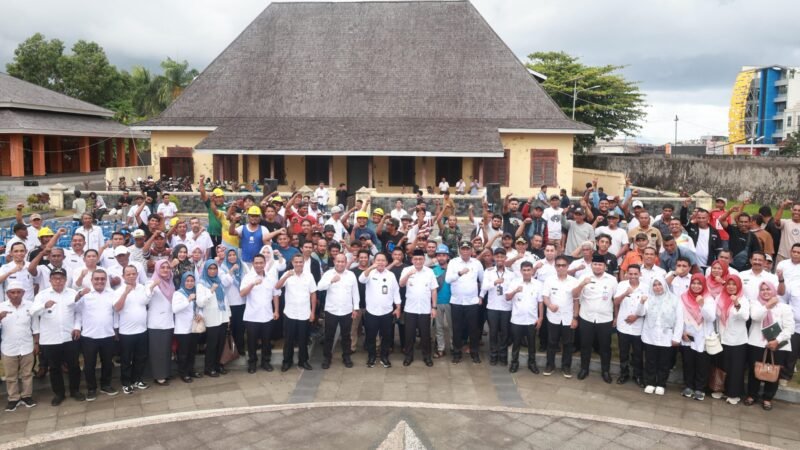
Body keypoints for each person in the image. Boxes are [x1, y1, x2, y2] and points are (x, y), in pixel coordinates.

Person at [30, 268, 84, 405]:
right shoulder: (42, 295)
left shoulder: (72, 293)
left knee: (74, 366)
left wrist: (77, 327)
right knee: (54, 368)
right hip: (50, 339)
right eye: (55, 278)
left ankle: (75, 390)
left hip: (70, 337)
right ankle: (59, 394)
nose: (58, 281)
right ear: (50, 280)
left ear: (66, 279)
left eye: (61, 278)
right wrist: (44, 305)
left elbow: (79, 313)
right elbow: (32, 312)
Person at [745, 281, 794, 410]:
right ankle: (752, 395)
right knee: (754, 370)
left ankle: (767, 398)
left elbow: (789, 328)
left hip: (777, 345)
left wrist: (777, 340)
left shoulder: (784, 307)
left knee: (774, 372)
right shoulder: (755, 304)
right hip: (757, 343)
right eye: (762, 290)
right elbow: (755, 317)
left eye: (768, 289)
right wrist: (767, 306)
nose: (765, 292)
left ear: (773, 290)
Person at [573, 254, 618, 383]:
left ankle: (605, 371)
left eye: (600, 265)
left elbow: (615, 300)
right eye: (595, 264)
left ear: (605, 266)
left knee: (605, 347)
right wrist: (582, 284)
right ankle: (584, 369)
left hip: (605, 319)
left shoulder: (611, 280)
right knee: (585, 345)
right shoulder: (584, 277)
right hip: (586, 317)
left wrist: (616, 316)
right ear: (592, 265)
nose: (597, 267)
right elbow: (574, 295)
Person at [75, 269, 119, 400]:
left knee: (107, 363)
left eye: (102, 279)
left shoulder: (112, 294)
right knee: (89, 365)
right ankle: (91, 388)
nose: (99, 281)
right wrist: (77, 327)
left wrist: (116, 330)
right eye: (96, 279)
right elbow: (76, 312)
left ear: (106, 280)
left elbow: (115, 313)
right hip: (89, 336)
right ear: (91, 280)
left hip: (108, 335)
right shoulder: (84, 294)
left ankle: (106, 385)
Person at [638, 276, 683, 395]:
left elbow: (679, 320)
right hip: (650, 335)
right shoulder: (648, 298)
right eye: (654, 285)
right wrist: (641, 303)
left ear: (664, 285)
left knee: (664, 362)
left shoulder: (674, 299)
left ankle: (661, 383)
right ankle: (650, 382)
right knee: (650, 361)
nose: (657, 287)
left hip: (666, 336)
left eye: (659, 284)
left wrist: (676, 337)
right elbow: (640, 313)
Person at [358, 253, 402, 368]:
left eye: (383, 260)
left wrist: (398, 307)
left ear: (387, 262)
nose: (381, 262)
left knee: (387, 336)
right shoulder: (370, 273)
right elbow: (361, 279)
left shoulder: (391, 275)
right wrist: (371, 267)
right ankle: (371, 357)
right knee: (371, 336)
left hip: (387, 312)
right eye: (378, 260)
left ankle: (384, 357)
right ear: (374, 261)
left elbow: (396, 292)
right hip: (371, 311)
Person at [275, 254, 318, 371]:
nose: (299, 264)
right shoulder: (287, 274)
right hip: (290, 313)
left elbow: (313, 294)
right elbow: (277, 286)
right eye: (296, 262)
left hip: (304, 313)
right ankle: (287, 361)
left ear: (303, 263)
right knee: (288, 339)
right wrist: (286, 277)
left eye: (301, 262)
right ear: (292, 263)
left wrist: (313, 312)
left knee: (303, 339)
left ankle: (303, 361)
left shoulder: (309, 276)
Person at [445, 241, 485, 364]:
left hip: (472, 302)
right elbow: (447, 279)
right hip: (457, 301)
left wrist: (481, 296)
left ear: (471, 250)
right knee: (457, 329)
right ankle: (457, 353)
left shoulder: (477, 263)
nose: (465, 251)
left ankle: (474, 353)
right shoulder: (453, 262)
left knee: (473, 329)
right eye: (463, 249)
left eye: (468, 249)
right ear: (459, 250)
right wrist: (459, 273)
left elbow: (483, 280)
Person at [114, 265, 152, 394]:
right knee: (126, 360)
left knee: (140, 357)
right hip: (126, 332)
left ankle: (137, 379)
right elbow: (117, 308)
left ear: (137, 274)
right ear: (123, 276)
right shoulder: (119, 291)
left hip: (142, 330)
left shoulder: (142, 288)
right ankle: (126, 382)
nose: (131, 276)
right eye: (128, 274)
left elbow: (146, 302)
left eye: (133, 274)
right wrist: (125, 293)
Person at [1, 281, 38, 411]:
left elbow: (35, 326)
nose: (16, 295)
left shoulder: (30, 305)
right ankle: (13, 398)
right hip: (8, 347)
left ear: (23, 293)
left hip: (27, 345)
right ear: (7, 294)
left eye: (18, 292)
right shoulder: (1, 307)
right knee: (11, 376)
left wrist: (36, 343)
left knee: (27, 374)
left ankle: (27, 396)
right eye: (12, 292)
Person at [240, 254, 280, 373]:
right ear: (253, 264)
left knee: (266, 341)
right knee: (252, 342)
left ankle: (266, 362)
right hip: (252, 316)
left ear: (265, 264)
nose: (258, 265)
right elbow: (242, 294)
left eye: (261, 263)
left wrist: (276, 310)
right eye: (256, 263)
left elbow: (275, 295)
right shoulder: (248, 277)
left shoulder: (271, 277)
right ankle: (252, 363)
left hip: (267, 315)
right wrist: (252, 284)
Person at [317, 254, 359, 369]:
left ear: (346, 263)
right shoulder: (328, 274)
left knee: (346, 336)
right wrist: (331, 281)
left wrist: (355, 308)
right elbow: (319, 287)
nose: (340, 264)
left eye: (342, 262)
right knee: (329, 335)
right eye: (338, 261)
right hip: (331, 310)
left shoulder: (351, 275)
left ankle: (346, 357)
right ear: (334, 261)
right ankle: (327, 358)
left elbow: (355, 293)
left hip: (346, 310)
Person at [679, 274, 716, 401]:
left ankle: (700, 388)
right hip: (688, 335)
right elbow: (679, 317)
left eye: (699, 283)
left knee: (702, 363)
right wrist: (682, 332)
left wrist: (702, 305)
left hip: (702, 336)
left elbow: (711, 318)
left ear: (703, 285)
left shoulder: (709, 298)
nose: (696, 286)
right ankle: (688, 386)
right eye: (693, 283)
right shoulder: (683, 297)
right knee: (688, 362)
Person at [399, 249, 438, 367]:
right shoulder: (406, 270)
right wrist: (408, 275)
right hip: (410, 309)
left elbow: (434, 290)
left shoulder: (429, 272)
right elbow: (401, 284)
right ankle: (408, 357)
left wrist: (434, 307)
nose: (418, 261)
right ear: (412, 260)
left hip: (425, 309)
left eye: (420, 259)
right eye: (415, 259)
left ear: (424, 260)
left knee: (425, 335)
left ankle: (427, 357)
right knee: (409, 335)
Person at [541, 255, 578, 377]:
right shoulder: (549, 280)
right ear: (555, 266)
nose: (561, 268)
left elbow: (576, 301)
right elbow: (545, 297)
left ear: (567, 267)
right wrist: (550, 305)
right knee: (552, 342)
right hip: (553, 317)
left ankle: (566, 366)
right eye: (558, 265)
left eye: (563, 265)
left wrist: (575, 318)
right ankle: (550, 365)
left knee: (568, 344)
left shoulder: (574, 281)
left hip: (568, 318)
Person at [715, 275, 749, 405]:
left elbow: (745, 316)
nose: (730, 287)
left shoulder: (743, 299)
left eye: (734, 284)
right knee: (722, 366)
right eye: (728, 284)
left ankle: (733, 393)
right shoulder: (720, 297)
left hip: (737, 340)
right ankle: (720, 389)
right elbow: (715, 316)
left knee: (735, 369)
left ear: (739, 286)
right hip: (722, 338)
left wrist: (736, 304)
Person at [505, 261, 544, 374]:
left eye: (528, 270)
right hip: (517, 320)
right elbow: (507, 297)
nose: (526, 272)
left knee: (532, 343)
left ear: (532, 271)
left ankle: (532, 363)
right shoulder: (515, 282)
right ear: (521, 271)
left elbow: (540, 302)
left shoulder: (538, 284)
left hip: (532, 320)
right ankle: (514, 363)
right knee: (516, 343)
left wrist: (540, 318)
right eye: (524, 270)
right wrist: (515, 291)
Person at [172, 273, 209, 383]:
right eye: (187, 281)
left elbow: (199, 307)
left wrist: (200, 315)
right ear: (183, 281)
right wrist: (188, 300)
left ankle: (191, 370)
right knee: (183, 353)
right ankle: (183, 373)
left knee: (192, 351)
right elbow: (175, 309)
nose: (189, 283)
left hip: (194, 327)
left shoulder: (195, 293)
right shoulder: (178, 294)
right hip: (183, 329)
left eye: (192, 281)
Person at [481, 248, 514, 366]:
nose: (500, 259)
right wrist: (494, 282)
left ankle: (503, 356)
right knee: (493, 332)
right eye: (497, 257)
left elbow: (512, 289)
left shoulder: (511, 273)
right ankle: (493, 355)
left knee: (505, 333)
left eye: (502, 257)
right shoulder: (489, 271)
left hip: (506, 307)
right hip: (493, 307)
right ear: (494, 258)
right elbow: (484, 287)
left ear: (505, 258)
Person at [614, 265, 646, 387]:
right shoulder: (622, 285)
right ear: (626, 274)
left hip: (638, 326)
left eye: (635, 274)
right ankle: (624, 374)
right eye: (630, 274)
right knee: (623, 352)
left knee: (638, 353)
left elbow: (648, 307)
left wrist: (636, 317)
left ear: (640, 274)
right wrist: (624, 294)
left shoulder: (646, 287)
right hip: (623, 325)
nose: (632, 276)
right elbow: (616, 302)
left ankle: (638, 375)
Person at [200, 260, 231, 377]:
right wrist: (211, 291)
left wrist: (228, 316)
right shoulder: (201, 284)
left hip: (222, 318)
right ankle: (209, 368)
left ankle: (218, 365)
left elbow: (225, 300)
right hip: (211, 319)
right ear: (206, 270)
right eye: (210, 269)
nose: (213, 271)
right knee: (212, 345)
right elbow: (200, 302)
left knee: (221, 344)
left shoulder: (220, 282)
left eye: (215, 269)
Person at [147, 260, 176, 385]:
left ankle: (166, 372)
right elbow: (145, 298)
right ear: (157, 268)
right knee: (157, 350)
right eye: (162, 267)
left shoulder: (170, 281)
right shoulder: (151, 281)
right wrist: (152, 286)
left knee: (165, 350)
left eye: (167, 267)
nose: (165, 269)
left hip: (168, 321)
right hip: (156, 322)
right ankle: (159, 376)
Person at [680, 201, 723, 271]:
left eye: (703, 218)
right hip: (693, 265)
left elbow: (719, 249)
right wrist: (684, 207)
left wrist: (718, 264)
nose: (701, 220)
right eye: (699, 218)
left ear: (708, 218)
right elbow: (683, 220)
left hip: (709, 266)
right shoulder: (692, 228)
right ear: (696, 218)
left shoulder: (714, 231)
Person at [431, 245, 452, 359]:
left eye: (443, 255)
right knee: (438, 327)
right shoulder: (433, 270)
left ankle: (453, 347)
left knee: (452, 326)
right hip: (437, 302)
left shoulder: (453, 269)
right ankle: (440, 348)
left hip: (451, 301)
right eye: (439, 255)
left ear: (447, 256)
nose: (441, 258)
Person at [774, 200, 800, 264]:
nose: (796, 212)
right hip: (783, 257)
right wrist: (782, 206)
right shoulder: (785, 222)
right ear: (791, 210)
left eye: (799, 211)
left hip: (798, 258)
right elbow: (776, 220)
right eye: (795, 210)